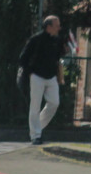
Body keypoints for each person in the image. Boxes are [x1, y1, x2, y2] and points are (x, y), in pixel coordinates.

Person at [18, 14, 67, 145]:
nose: (59, 28)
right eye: (57, 26)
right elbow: (23, 58)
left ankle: (37, 126)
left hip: (51, 76)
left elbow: (58, 58)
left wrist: (59, 74)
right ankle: (36, 135)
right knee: (35, 105)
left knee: (54, 103)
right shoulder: (36, 40)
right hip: (37, 76)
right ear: (49, 27)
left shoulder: (57, 41)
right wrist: (29, 73)